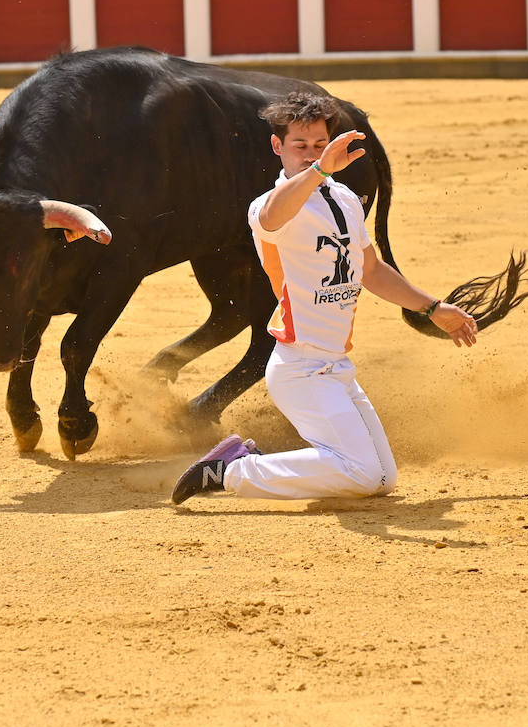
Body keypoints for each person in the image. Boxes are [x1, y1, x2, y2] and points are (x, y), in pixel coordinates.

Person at [169, 92, 478, 506]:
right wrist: (318, 168)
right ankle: (231, 472)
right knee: (362, 472)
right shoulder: (268, 206)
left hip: (337, 366)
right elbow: (273, 216)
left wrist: (433, 308)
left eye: (319, 144)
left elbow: (370, 271)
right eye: (300, 145)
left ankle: (249, 461)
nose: (311, 153)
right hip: (299, 367)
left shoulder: (347, 200)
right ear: (277, 147)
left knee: (382, 478)